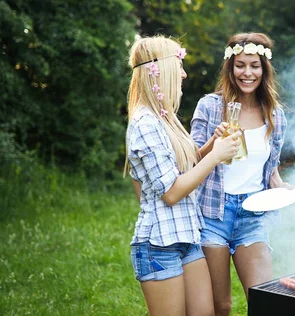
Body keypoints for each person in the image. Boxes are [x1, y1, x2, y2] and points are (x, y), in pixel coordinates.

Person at [125, 36, 241, 316]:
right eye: (179, 66)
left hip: (186, 236)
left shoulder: (165, 118)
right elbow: (172, 192)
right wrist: (216, 157)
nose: (185, 73)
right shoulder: (145, 123)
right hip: (158, 245)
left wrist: (210, 146)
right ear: (160, 70)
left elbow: (182, 171)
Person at [190, 32, 290, 316]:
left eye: (254, 65)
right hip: (212, 214)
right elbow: (189, 161)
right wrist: (214, 142)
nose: (247, 73)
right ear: (230, 68)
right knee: (220, 305)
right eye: (241, 65)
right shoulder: (210, 106)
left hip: (253, 215)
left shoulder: (275, 115)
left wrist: (283, 188)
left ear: (264, 68)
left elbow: (270, 171)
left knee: (265, 301)